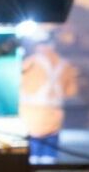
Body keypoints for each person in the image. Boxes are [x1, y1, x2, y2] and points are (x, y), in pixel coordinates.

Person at [19, 32, 77, 164]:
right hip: (53, 118)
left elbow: (17, 84)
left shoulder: (30, 63)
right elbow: (71, 92)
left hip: (31, 118)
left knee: (32, 159)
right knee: (49, 159)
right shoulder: (65, 65)